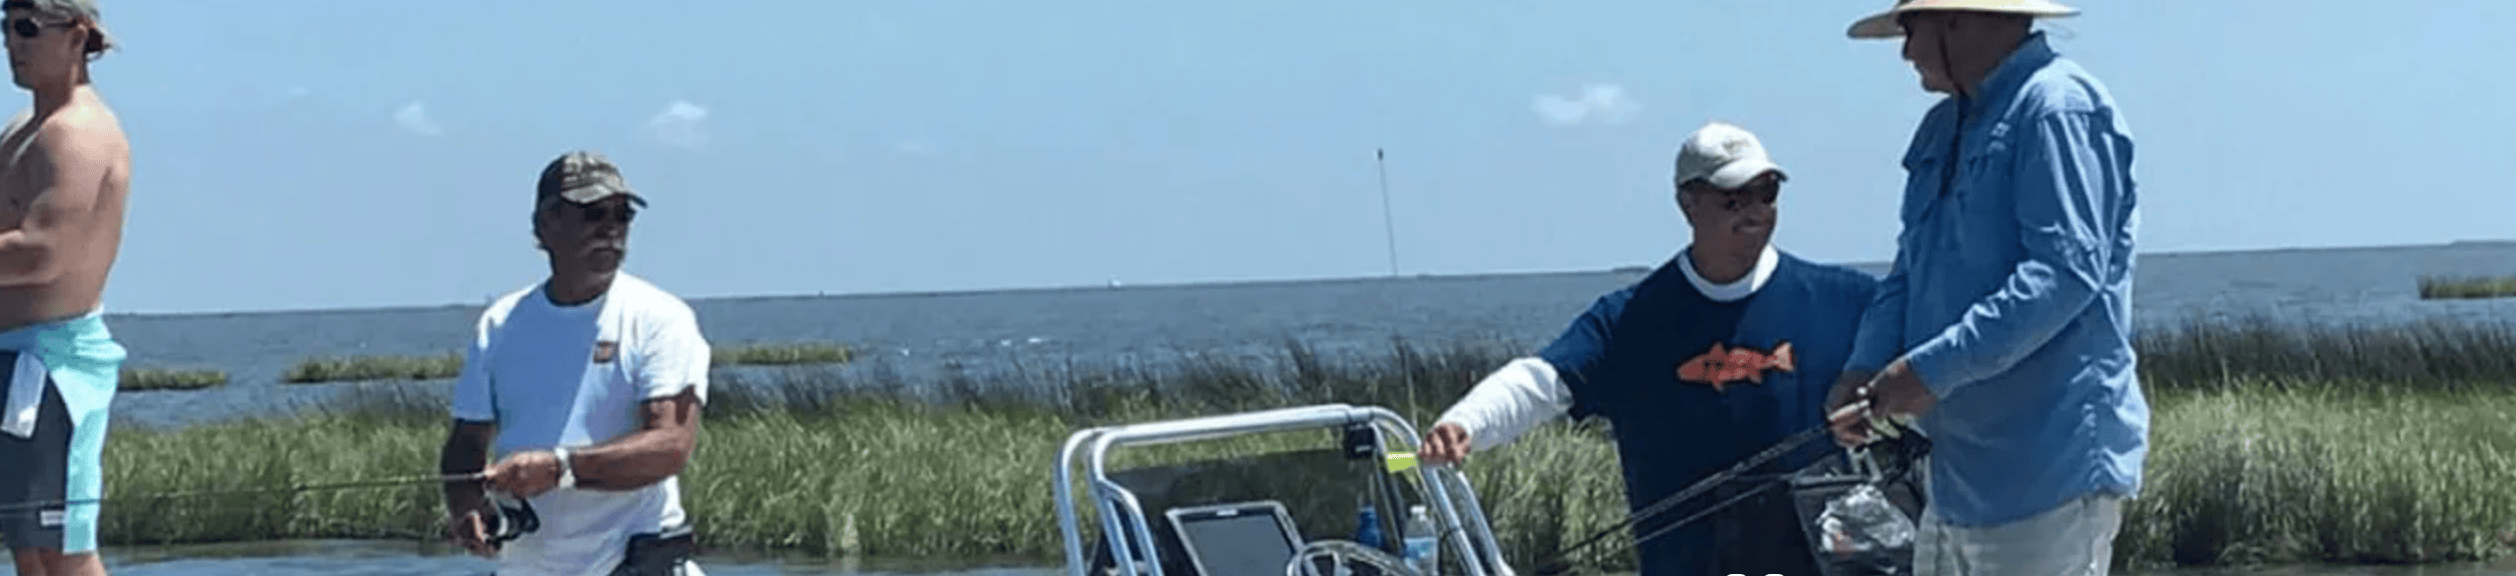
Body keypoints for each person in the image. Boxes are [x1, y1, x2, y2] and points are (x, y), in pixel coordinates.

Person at [1419, 122, 1878, 575]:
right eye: (1734, 197)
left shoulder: (1845, 299)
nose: (1755, 211)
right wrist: (1467, 422)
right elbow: (1541, 382)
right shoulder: (1629, 318)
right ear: (1687, 203)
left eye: (1768, 193)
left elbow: (1927, 364)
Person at [1824, 1, 2148, 575]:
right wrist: (1863, 366)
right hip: (1953, 480)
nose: (1906, 52)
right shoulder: (1942, 125)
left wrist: (1930, 372)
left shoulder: (2057, 107)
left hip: (2051, 471)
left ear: (1958, 22)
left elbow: (2064, 276)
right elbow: (1908, 271)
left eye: (1910, 29)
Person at [440, 150, 712, 576]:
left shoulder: (661, 317)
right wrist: (466, 507)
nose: (610, 228)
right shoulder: (501, 322)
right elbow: (465, 444)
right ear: (546, 225)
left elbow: (670, 446)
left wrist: (559, 469)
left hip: (635, 565)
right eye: (592, 214)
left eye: (622, 215)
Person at [0, 0, 126, 574]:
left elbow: (43, 253)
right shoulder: (21, 131)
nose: (12, 41)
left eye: (27, 27)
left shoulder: (76, 134)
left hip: (53, 371)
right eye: (6, 26)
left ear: (77, 36)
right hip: (15, 361)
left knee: (61, 553)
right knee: (29, 550)